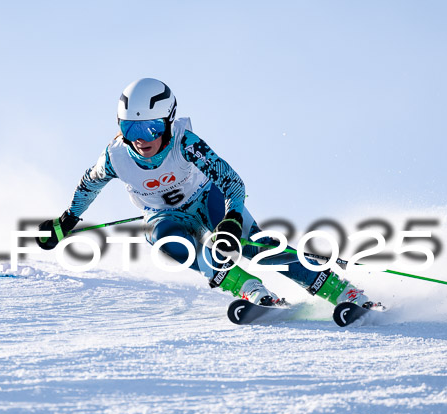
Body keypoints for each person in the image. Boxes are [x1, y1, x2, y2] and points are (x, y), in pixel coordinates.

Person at [36, 78, 377, 309]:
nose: (140, 138)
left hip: (206, 198)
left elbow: (232, 182)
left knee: (253, 246)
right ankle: (252, 290)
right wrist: (66, 221)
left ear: (168, 121)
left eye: (150, 127)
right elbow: (89, 184)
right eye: (130, 128)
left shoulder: (185, 143)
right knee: (178, 245)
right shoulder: (116, 156)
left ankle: (341, 291)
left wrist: (230, 220)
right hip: (164, 215)